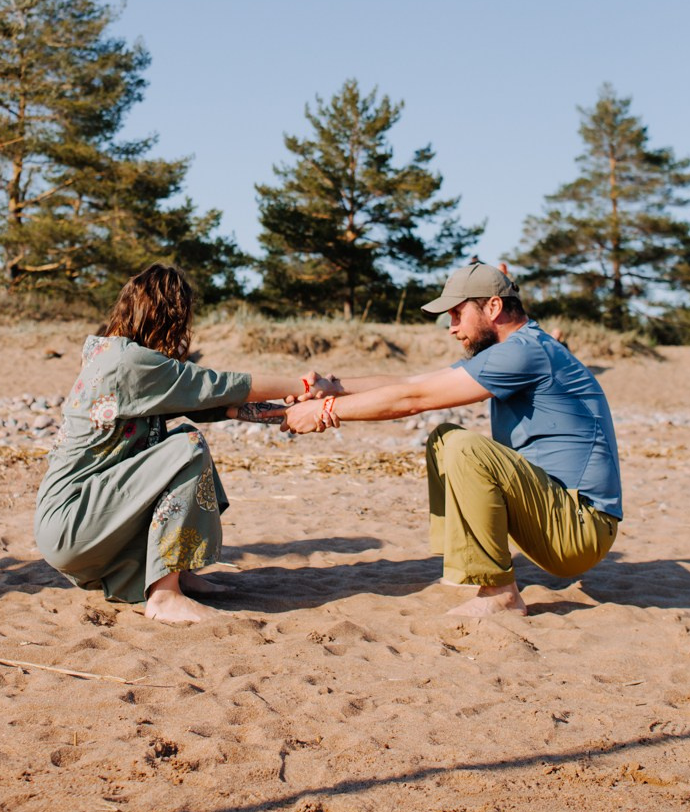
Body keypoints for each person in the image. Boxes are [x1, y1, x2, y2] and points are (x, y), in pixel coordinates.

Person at [283, 262, 622, 617]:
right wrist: (333, 387)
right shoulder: (521, 347)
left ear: (493, 307)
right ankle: (468, 567)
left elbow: (412, 400)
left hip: (581, 528)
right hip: (557, 514)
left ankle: (500, 594)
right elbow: (413, 383)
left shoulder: (524, 351)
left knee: (465, 448)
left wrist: (326, 410)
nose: (452, 328)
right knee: (445, 438)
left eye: (458, 314)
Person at [34, 264, 328, 624]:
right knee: (186, 446)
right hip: (72, 521)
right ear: (165, 316)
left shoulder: (119, 358)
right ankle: (165, 595)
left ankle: (178, 573)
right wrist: (303, 385)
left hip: (78, 519)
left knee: (179, 441)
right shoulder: (128, 362)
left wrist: (286, 413)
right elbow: (219, 385)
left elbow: (215, 403)